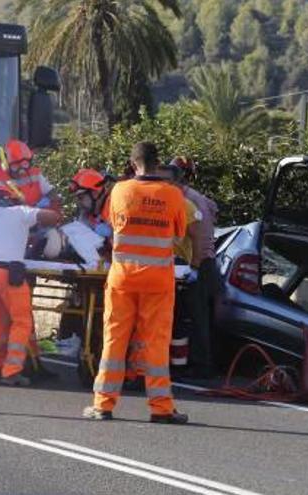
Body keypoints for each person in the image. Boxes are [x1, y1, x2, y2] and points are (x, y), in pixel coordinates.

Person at [83, 142, 190, 424]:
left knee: (114, 340)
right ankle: (161, 408)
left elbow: (110, 226)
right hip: (158, 280)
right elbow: (179, 236)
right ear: (159, 163)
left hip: (122, 278)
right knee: (156, 344)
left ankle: (103, 405)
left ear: (132, 164)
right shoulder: (173, 195)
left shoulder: (119, 191)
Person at [0, 186, 61, 386]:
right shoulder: (19, 212)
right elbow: (52, 217)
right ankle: (11, 371)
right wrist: (42, 207)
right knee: (21, 322)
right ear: (11, 200)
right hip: (8, 273)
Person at [171, 157, 220, 379]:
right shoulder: (193, 198)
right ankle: (182, 364)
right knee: (184, 315)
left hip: (200, 263)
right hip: (193, 263)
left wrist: (195, 267)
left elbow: (200, 238)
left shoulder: (190, 199)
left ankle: (203, 367)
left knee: (197, 316)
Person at [158, 161, 203, 373]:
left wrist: (194, 267)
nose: (162, 185)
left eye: (167, 181)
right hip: (156, 264)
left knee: (176, 320)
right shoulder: (154, 202)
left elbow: (197, 237)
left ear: (177, 183)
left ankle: (177, 367)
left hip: (178, 268)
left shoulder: (185, 206)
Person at [0, 139, 60, 214]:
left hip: (37, 222)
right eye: (16, 166)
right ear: (6, 165)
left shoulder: (36, 174)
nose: (21, 171)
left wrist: (51, 211)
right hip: (7, 225)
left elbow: (53, 195)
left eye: (25, 164)